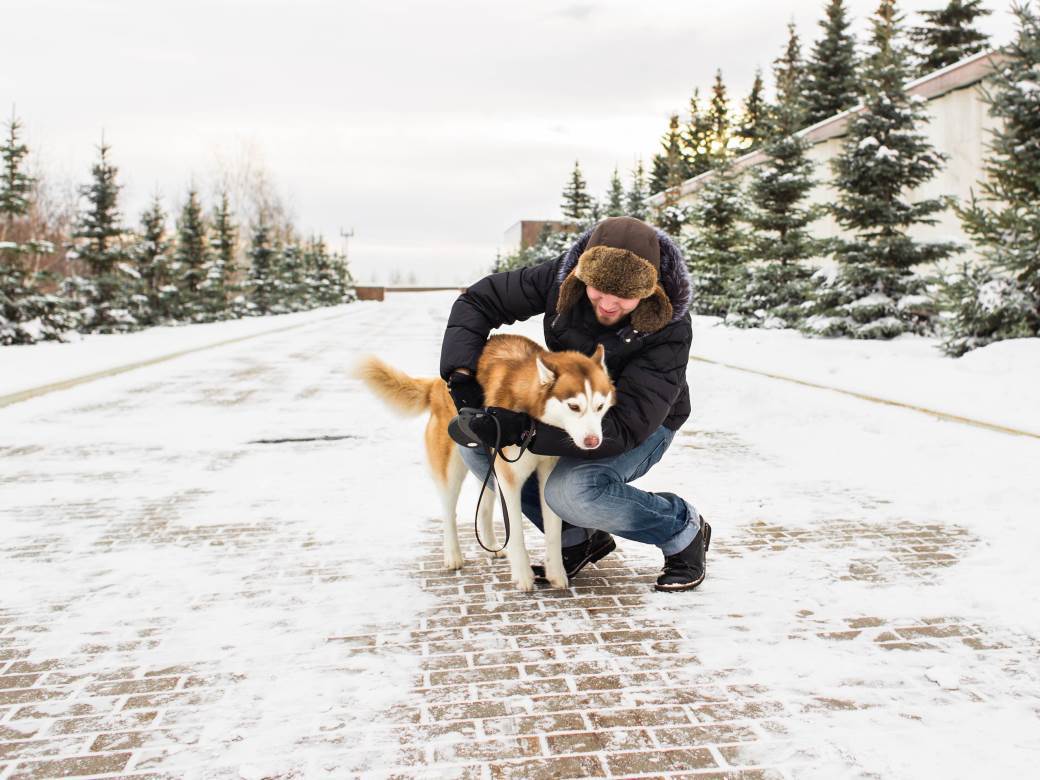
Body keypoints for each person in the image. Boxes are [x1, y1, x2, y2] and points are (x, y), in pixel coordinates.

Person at [439, 216, 709, 592]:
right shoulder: (560, 279)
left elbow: (630, 424)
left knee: (573, 490)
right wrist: (462, 374)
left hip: (643, 422)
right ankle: (577, 540)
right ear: (583, 275)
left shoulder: (670, 326)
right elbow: (480, 300)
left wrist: (529, 431)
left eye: (625, 296)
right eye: (598, 290)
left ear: (648, 291)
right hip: (573, 409)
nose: (609, 304)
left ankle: (681, 529)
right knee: (480, 450)